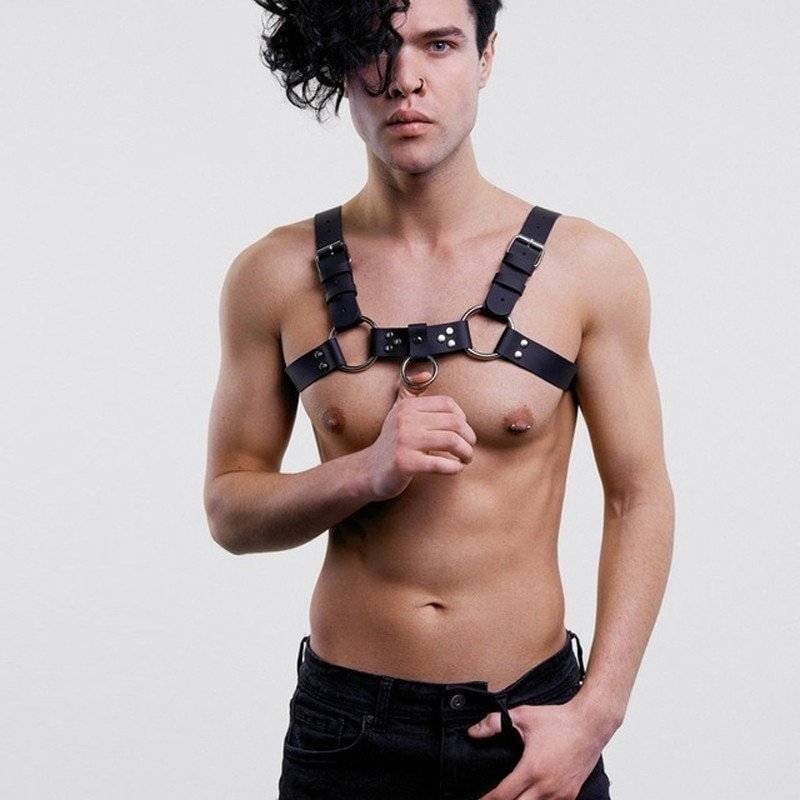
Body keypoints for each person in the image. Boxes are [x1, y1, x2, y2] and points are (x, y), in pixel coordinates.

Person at [203, 1, 675, 798]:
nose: (405, 80)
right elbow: (229, 512)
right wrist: (364, 472)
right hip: (347, 732)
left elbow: (640, 497)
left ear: (486, 56)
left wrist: (596, 713)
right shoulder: (272, 275)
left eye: (440, 44)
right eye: (375, 48)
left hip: (530, 722)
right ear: (338, 63)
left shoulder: (587, 267)